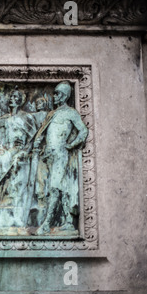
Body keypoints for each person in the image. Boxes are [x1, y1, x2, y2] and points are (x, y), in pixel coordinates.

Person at [34, 81, 89, 235]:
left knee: (54, 187)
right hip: (49, 155)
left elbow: (83, 131)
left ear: (64, 95)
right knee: (61, 187)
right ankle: (69, 222)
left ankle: (46, 224)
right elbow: (45, 133)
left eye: (57, 93)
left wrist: (71, 145)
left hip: (61, 154)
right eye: (55, 93)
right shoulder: (52, 113)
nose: (54, 96)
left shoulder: (71, 112)